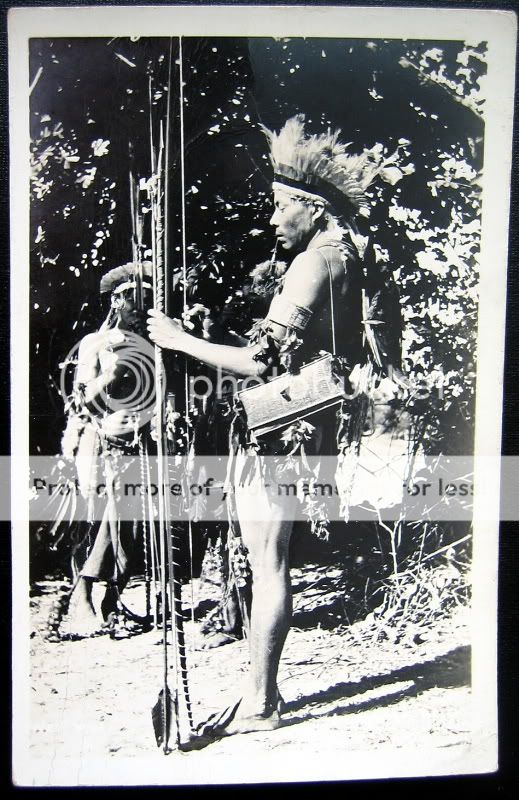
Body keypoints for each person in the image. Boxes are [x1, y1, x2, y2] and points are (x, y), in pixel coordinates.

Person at [147, 115, 396, 735]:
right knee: (271, 559)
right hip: (310, 419)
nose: (271, 220)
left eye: (280, 207)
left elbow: (261, 360)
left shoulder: (312, 265)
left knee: (269, 562)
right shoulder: (347, 258)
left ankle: (260, 702)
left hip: (284, 427)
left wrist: (180, 341)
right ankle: (260, 692)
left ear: (310, 207)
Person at [61, 262, 154, 637]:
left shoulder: (150, 341)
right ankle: (81, 595)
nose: (141, 306)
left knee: (127, 524)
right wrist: (113, 373)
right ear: (117, 300)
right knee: (100, 517)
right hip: (100, 441)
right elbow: (83, 401)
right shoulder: (94, 344)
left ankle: (112, 601)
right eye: (135, 298)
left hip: (139, 443)